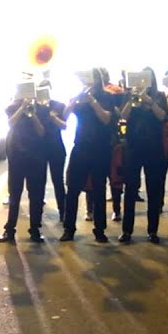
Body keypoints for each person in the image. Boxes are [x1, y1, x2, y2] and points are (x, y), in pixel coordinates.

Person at [60, 68, 121, 243]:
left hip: (101, 148)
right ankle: (69, 228)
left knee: (99, 189)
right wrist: (73, 103)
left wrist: (93, 101)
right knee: (72, 189)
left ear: (97, 80)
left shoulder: (106, 97)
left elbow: (106, 119)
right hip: (80, 146)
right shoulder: (79, 97)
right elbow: (64, 117)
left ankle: (100, 230)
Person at [118, 72, 168, 243]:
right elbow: (122, 118)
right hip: (133, 147)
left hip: (154, 149)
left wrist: (148, 100)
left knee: (154, 190)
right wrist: (132, 99)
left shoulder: (159, 96)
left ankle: (153, 230)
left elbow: (163, 116)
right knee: (130, 189)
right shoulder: (129, 95)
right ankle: (127, 230)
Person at [0, 95, 48, 243]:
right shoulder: (12, 107)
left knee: (36, 196)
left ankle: (35, 229)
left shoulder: (42, 109)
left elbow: (41, 132)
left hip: (36, 157)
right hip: (17, 157)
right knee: (14, 194)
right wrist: (22, 108)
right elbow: (11, 123)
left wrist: (32, 114)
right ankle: (9, 229)